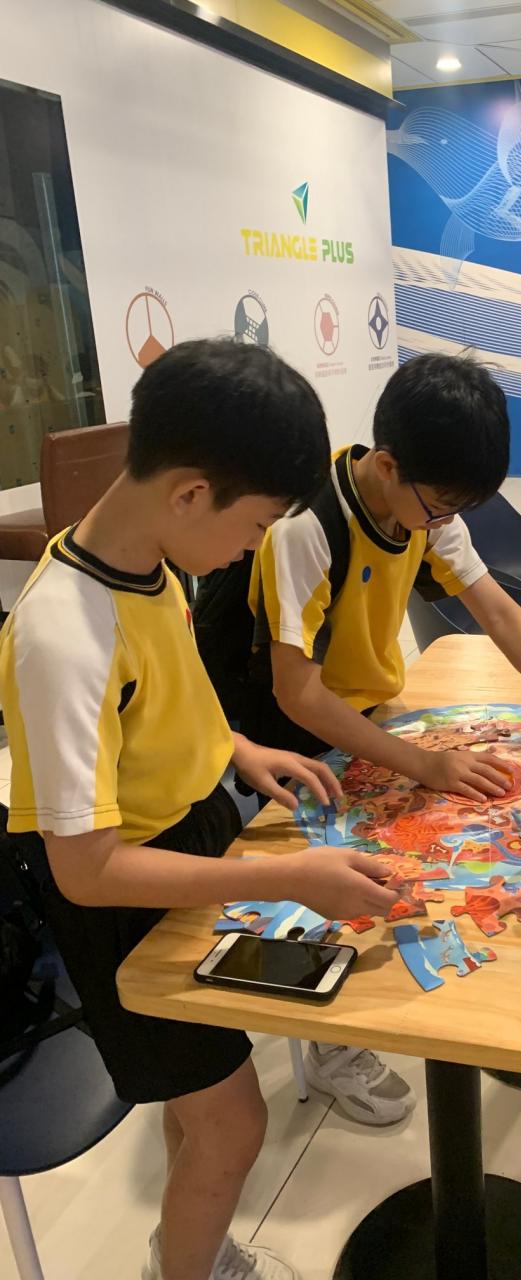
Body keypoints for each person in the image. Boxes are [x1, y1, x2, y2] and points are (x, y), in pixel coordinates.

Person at [0, 339, 400, 1280]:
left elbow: (170, 690)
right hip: (122, 905)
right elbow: (84, 869)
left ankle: (186, 1248)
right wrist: (290, 876)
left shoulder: (153, 559)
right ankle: (186, 1268)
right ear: (190, 494)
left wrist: (238, 748)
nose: (255, 546)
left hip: (189, 842)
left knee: (204, 1100)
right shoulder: (62, 633)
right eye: (256, 525)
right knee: (232, 1122)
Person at [236, 352, 521, 1118]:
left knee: (420, 859)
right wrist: (423, 763)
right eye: (440, 507)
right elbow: (296, 691)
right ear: (387, 466)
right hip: (290, 733)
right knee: (333, 881)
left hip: (369, 710)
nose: (445, 522)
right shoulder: (307, 528)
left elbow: (497, 608)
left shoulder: (423, 506)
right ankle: (333, 1040)